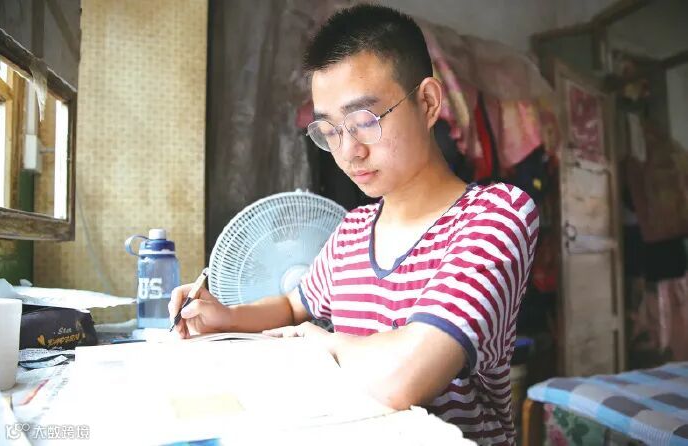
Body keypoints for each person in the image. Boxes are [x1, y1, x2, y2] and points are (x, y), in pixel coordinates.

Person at [170, 4, 538, 444]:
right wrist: (227, 317)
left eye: (364, 121)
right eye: (329, 131)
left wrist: (328, 344)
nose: (348, 152)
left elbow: (406, 376)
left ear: (427, 102)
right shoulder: (353, 230)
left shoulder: (495, 215)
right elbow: (292, 306)